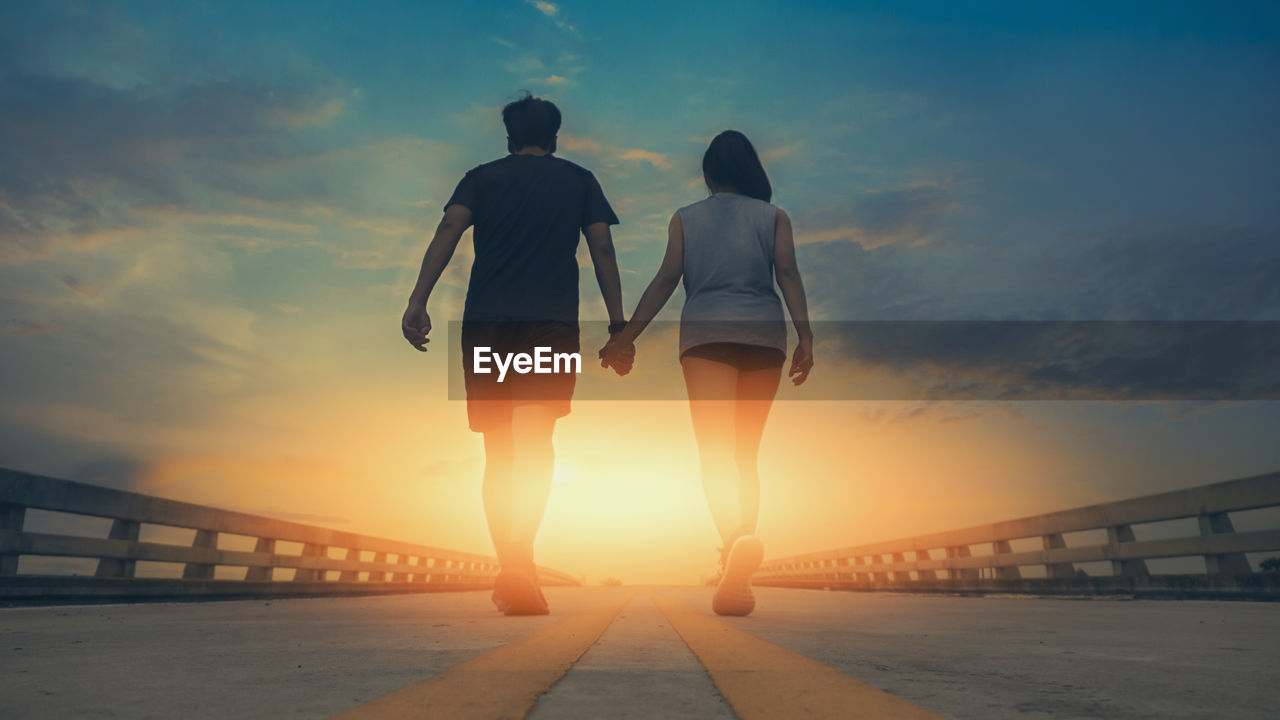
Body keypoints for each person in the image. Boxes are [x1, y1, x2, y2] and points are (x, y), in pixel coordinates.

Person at [402, 93, 626, 615]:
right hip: (550, 324)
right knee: (536, 443)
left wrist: (418, 299)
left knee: (499, 453)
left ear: (508, 137)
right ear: (555, 138)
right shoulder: (579, 181)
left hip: (487, 323)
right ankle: (523, 558)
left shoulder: (480, 178)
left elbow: (449, 229)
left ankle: (511, 563)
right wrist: (619, 327)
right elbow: (603, 250)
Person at [600, 130, 813, 616]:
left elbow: (665, 281)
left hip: (707, 335)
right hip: (765, 334)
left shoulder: (686, 219)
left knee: (714, 452)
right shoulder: (774, 217)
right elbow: (789, 277)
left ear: (709, 173)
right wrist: (807, 337)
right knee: (745, 455)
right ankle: (741, 559)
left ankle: (734, 545)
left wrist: (625, 336)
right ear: (752, 170)